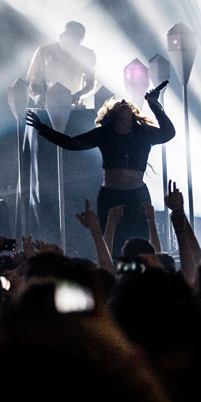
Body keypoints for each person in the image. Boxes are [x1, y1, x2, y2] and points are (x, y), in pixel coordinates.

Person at [26, 85, 175, 255]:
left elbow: (168, 133)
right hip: (111, 195)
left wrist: (154, 104)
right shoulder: (104, 134)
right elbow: (71, 143)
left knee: (141, 243)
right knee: (111, 243)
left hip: (137, 195)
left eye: (126, 102)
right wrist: (42, 129)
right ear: (112, 113)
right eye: (120, 103)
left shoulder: (143, 133)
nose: (124, 101)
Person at [26, 21, 96, 107]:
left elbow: (91, 84)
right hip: (49, 106)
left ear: (81, 41)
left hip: (74, 107)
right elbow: (33, 84)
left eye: (74, 46)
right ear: (61, 37)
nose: (70, 49)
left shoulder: (87, 54)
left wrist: (79, 95)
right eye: (68, 44)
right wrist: (37, 97)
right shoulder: (43, 52)